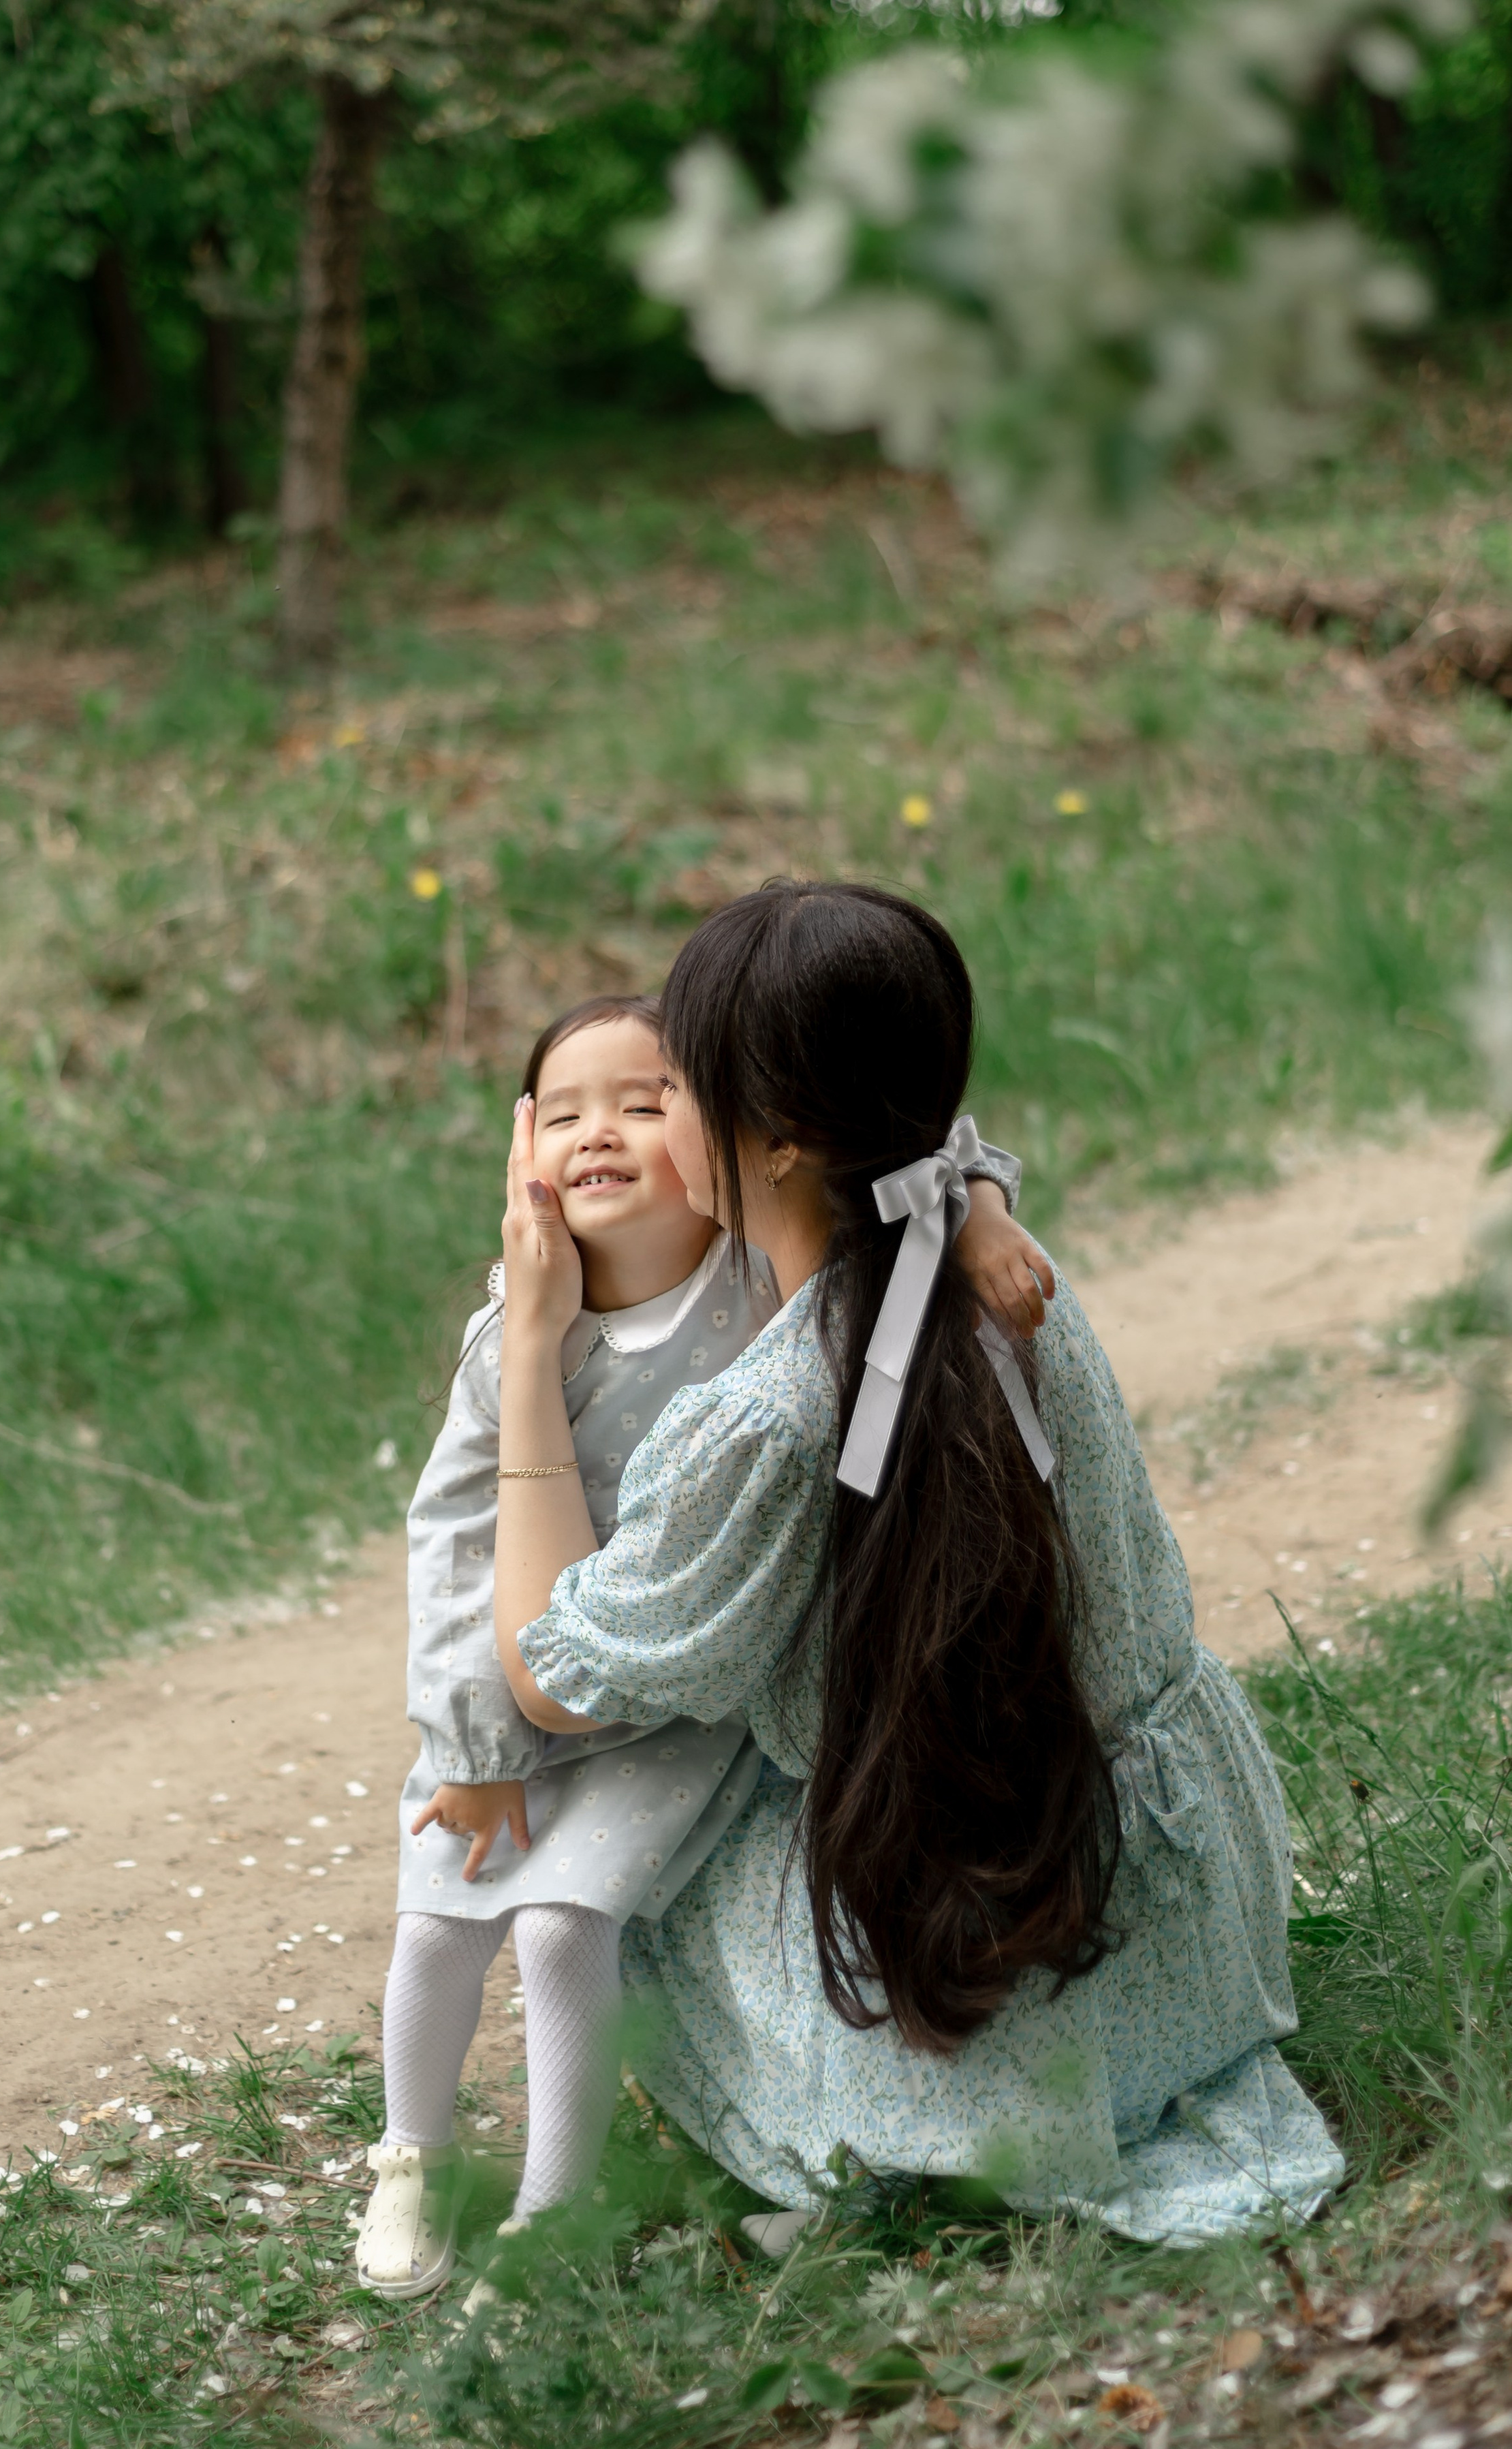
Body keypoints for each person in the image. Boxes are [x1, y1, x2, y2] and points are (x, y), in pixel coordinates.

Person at [494, 886, 1345, 2247]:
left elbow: (552, 1672)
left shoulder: (770, 1415)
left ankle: (877, 2147)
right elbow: (950, 1148)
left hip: (980, 1983)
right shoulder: (993, 1260)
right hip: (1177, 1896)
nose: (647, 1122)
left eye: (671, 1090)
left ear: (774, 1137)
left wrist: (527, 1360)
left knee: (630, 1842)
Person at [356, 990, 1048, 2297]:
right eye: (563, 1114)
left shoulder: (753, 1272)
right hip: (501, 1702)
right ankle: (411, 2155)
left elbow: (921, 1153)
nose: (599, 1131)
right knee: (441, 1918)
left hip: (674, 1705)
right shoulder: (513, 1333)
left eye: (640, 1101)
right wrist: (471, 1739)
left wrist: (985, 1221)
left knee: (564, 1926)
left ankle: (554, 2211)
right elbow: (449, 1542)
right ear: (522, 1153)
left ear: (721, 1129)